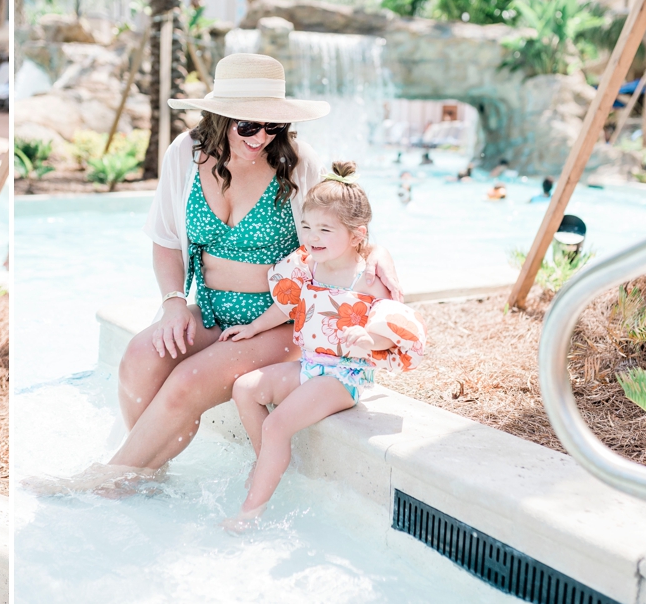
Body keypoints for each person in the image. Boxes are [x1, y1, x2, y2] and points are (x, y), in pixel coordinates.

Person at [23, 54, 402, 495]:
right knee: (139, 358)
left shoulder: (297, 163)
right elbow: (165, 239)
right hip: (213, 309)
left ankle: (105, 480)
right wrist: (173, 304)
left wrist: (380, 252)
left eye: (272, 126)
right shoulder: (186, 154)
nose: (261, 137)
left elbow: (340, 227)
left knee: (188, 381)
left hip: (279, 322)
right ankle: (147, 472)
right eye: (248, 126)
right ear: (220, 118)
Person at [219, 161, 425, 529]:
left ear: (357, 235)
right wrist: (253, 327)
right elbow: (287, 304)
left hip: (342, 376)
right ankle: (268, 460)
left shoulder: (367, 279)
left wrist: (367, 338)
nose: (313, 237)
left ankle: (250, 513)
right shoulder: (309, 267)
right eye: (308, 226)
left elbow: (392, 322)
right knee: (245, 388)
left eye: (325, 229)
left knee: (277, 424)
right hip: (310, 365)